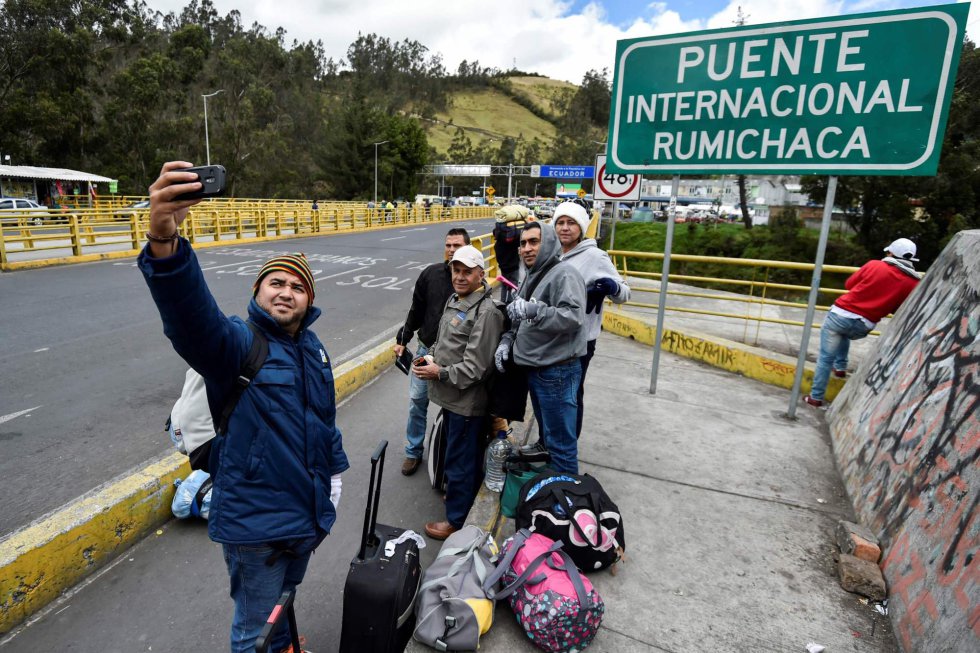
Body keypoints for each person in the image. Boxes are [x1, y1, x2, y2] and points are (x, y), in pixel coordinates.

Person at [138, 162, 349, 653]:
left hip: (307, 517)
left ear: (309, 301)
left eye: (298, 287)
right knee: (256, 634)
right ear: (257, 291)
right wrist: (165, 242)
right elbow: (190, 319)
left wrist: (333, 484)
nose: (286, 291)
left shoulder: (314, 350)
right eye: (276, 282)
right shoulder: (237, 343)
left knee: (283, 608)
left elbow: (324, 425)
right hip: (257, 528)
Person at [412, 245, 505, 540]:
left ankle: (457, 520)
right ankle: (459, 500)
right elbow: (446, 343)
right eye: (456, 270)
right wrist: (432, 358)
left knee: (460, 461)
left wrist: (438, 372)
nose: (460, 277)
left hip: (467, 402)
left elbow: (476, 368)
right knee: (456, 455)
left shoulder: (486, 311)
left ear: (481, 274)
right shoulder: (457, 299)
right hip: (451, 398)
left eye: (467, 271)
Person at [495, 222, 586, 474]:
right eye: (523, 243)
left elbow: (575, 317)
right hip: (538, 369)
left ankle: (566, 499)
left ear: (547, 243)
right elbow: (519, 317)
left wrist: (536, 311)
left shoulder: (564, 273)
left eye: (533, 242)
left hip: (557, 371)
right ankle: (553, 482)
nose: (526, 248)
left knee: (562, 444)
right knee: (549, 434)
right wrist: (507, 340)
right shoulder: (532, 275)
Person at [804, 237, 922, 408]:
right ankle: (841, 367)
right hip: (864, 325)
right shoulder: (913, 282)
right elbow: (898, 309)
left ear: (890, 253)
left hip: (839, 315)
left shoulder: (875, 264)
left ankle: (815, 397)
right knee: (843, 334)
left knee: (825, 357)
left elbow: (849, 284)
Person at [394, 228, 471, 475]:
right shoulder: (430, 274)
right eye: (448, 245)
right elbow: (416, 310)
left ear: (468, 248)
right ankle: (413, 451)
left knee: (452, 410)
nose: (451, 249)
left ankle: (447, 460)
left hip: (455, 357)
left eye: (457, 245)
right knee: (417, 402)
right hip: (425, 350)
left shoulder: (470, 280)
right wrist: (403, 339)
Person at [553, 201, 631, 437]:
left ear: (582, 227)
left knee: (571, 394)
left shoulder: (596, 256)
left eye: (571, 223)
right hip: (550, 336)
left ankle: (567, 447)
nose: (565, 228)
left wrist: (611, 287)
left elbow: (625, 293)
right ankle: (547, 442)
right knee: (550, 394)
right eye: (560, 223)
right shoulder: (550, 253)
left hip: (580, 341)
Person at [492, 204, 530, 302]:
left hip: (503, 266)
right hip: (513, 266)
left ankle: (503, 304)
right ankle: (510, 306)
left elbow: (495, 232)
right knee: (514, 287)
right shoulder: (513, 239)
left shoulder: (501, 239)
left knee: (505, 285)